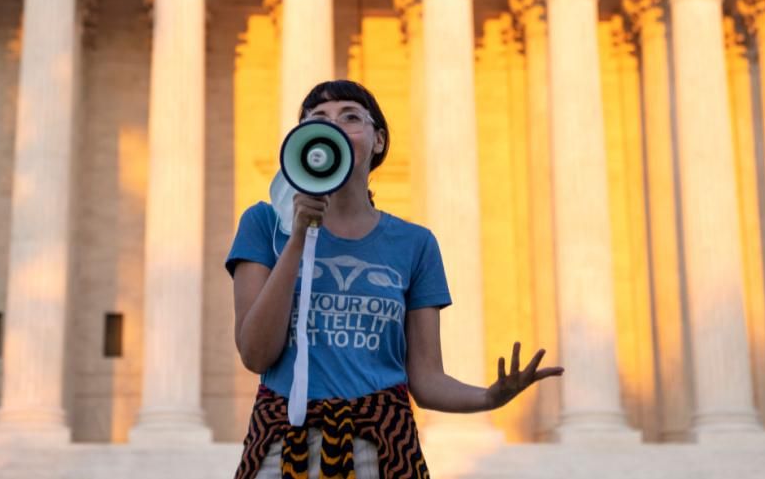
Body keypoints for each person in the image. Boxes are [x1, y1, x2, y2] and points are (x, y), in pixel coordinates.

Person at [226, 79, 562, 479]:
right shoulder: (265, 224)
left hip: (381, 449)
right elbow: (256, 354)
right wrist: (299, 236)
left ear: (379, 140)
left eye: (350, 117)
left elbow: (426, 379)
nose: (333, 126)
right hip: (286, 447)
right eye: (318, 118)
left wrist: (490, 397)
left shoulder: (415, 244)